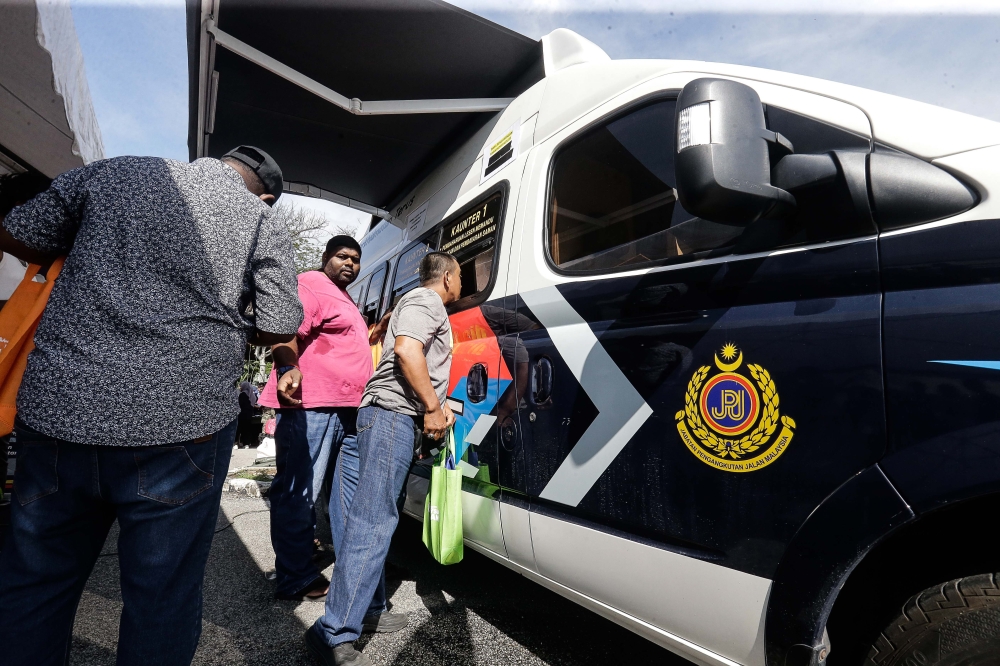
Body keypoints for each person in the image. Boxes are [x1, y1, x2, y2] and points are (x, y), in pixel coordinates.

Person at [0, 145, 303, 666]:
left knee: (34, 584)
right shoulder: (259, 218)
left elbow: (16, 232)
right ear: (268, 195)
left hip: (61, 408)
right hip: (181, 425)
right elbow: (279, 323)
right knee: (162, 596)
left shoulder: (113, 170)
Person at [306, 251, 461, 666]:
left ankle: (368, 607)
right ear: (446, 278)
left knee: (356, 518)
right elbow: (408, 352)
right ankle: (334, 632)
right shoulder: (427, 301)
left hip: (374, 413)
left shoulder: (410, 303)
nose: (460, 286)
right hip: (392, 417)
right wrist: (432, 406)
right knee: (374, 521)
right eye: (460, 277)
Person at [258, 234, 374, 601]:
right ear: (325, 257)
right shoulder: (312, 284)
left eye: (355, 259)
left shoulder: (343, 297)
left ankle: (350, 570)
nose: (349, 264)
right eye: (342, 256)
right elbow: (285, 331)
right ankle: (295, 577)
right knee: (298, 492)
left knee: (344, 497)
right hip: (312, 406)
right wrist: (288, 367)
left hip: (347, 410)